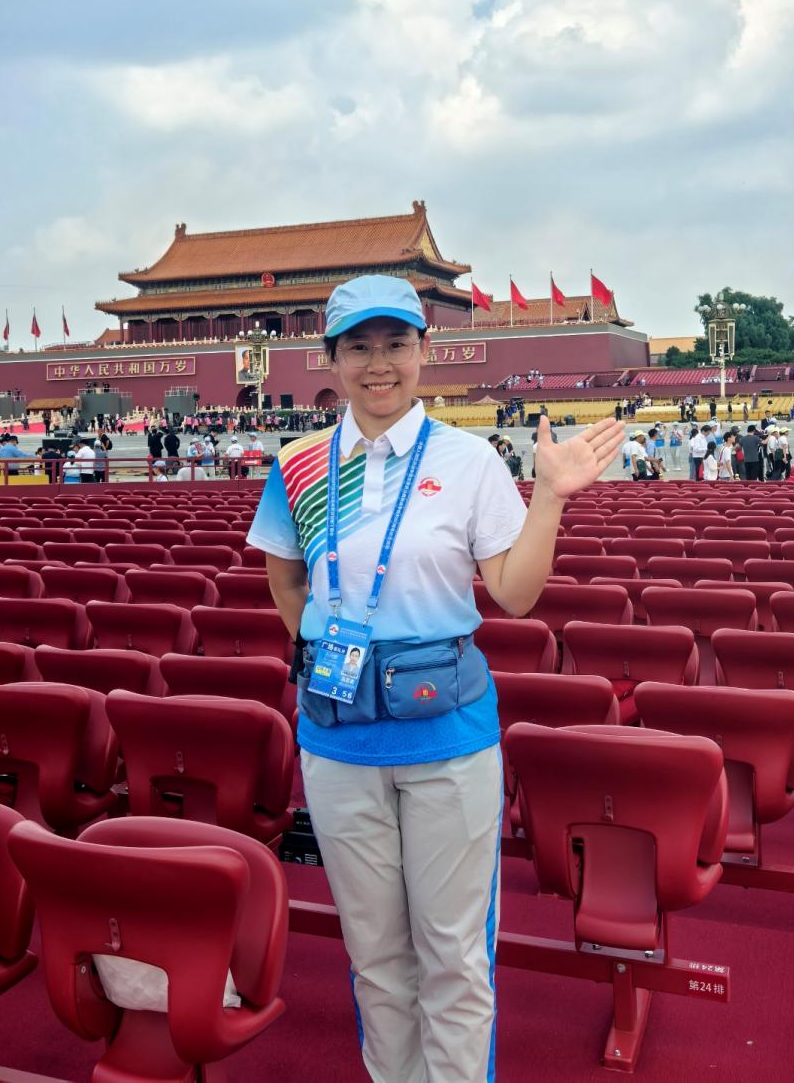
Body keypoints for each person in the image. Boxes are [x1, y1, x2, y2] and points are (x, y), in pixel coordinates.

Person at [247, 273, 622, 1083]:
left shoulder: (467, 459)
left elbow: (513, 594)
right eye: (358, 348)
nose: (378, 364)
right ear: (332, 359)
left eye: (395, 344)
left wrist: (549, 499)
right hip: (339, 744)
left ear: (424, 351)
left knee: (452, 955)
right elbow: (286, 583)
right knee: (376, 956)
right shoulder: (299, 465)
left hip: (448, 741)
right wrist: (341, 657)